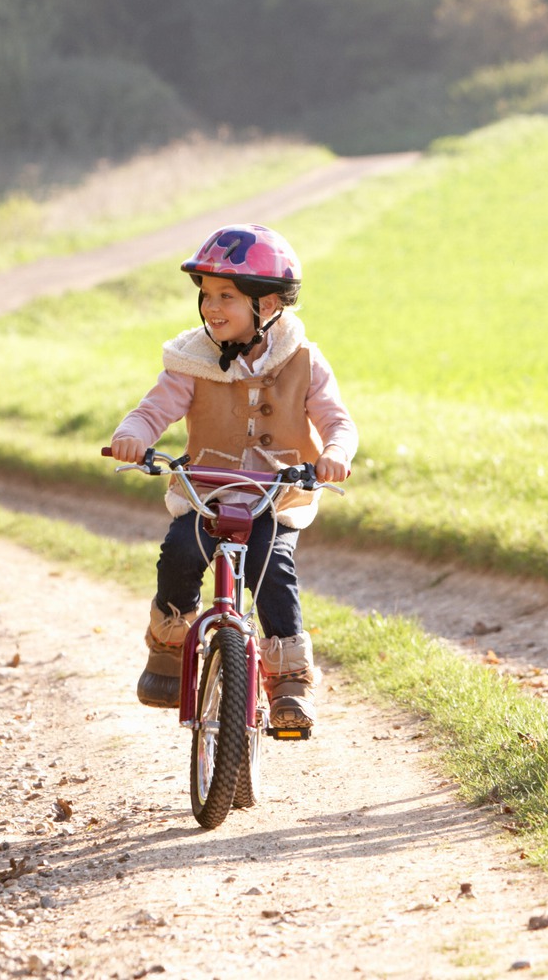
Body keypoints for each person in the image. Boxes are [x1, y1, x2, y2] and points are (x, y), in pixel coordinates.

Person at [108, 224, 357, 730]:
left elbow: (337, 421)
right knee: (180, 552)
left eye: (227, 296)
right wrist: (133, 434)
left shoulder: (303, 359)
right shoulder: (192, 359)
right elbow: (154, 410)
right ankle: (170, 646)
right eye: (205, 296)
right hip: (208, 492)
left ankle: (288, 684)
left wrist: (334, 452)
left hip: (275, 494)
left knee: (272, 570)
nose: (211, 307)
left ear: (267, 307)